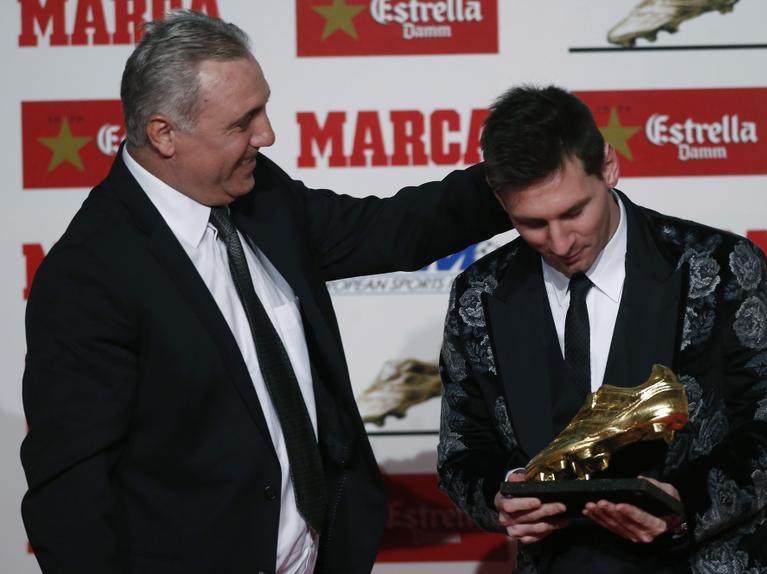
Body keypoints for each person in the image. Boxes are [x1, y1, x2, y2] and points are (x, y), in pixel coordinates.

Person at [20, 11, 510, 574]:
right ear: (163, 134)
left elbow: (388, 230)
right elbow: (71, 497)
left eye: (264, 108)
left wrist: (514, 171)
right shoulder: (89, 276)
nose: (267, 135)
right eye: (242, 122)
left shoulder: (259, 193)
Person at [436, 85, 767, 573]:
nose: (559, 241)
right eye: (531, 223)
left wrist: (683, 504)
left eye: (574, 211)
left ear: (608, 166)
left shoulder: (717, 266)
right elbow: (463, 449)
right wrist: (500, 495)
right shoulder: (478, 295)